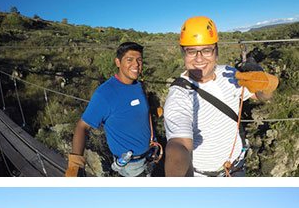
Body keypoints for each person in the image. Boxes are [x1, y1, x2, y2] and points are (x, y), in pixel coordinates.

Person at [163, 16, 279, 177]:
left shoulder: (229, 73)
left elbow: (262, 97)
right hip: (205, 176)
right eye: (191, 51)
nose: (199, 58)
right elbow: (179, 146)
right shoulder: (179, 96)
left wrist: (265, 84)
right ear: (183, 54)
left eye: (206, 50)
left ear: (216, 52)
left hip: (237, 166)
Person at [67, 43, 159, 177]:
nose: (136, 64)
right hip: (131, 168)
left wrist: (154, 111)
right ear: (118, 62)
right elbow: (82, 126)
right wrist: (75, 164)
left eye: (139, 60)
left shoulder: (138, 85)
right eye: (129, 60)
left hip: (151, 156)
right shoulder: (105, 94)